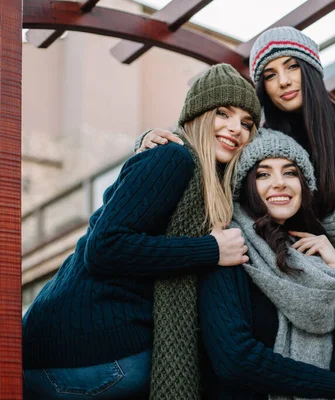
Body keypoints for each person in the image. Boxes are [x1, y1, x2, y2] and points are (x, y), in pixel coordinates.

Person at [21, 63, 261, 400]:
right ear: (197, 116)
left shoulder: (211, 185)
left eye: (247, 124)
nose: (235, 129)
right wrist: (211, 249)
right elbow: (106, 246)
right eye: (223, 113)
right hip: (85, 354)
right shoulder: (173, 159)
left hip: (92, 352)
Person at [137, 26, 335, 320]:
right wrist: (150, 139)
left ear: (312, 70)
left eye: (292, 66)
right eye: (269, 75)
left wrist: (277, 230)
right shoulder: (258, 141)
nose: (283, 81)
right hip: (271, 288)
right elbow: (208, 157)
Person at [198, 128, 335, 399]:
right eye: (264, 174)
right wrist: (328, 386)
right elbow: (234, 359)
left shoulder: (314, 263)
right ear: (245, 186)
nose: (280, 183)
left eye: (290, 172)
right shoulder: (229, 247)